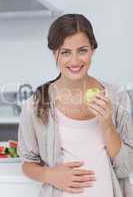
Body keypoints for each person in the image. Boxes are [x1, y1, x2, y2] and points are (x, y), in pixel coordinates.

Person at [17, 13, 133, 197]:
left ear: (93, 49)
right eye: (65, 52)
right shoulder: (35, 104)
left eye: (82, 50)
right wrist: (50, 175)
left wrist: (108, 125)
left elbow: (126, 167)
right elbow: (27, 163)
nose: (75, 61)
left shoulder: (117, 97)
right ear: (54, 53)